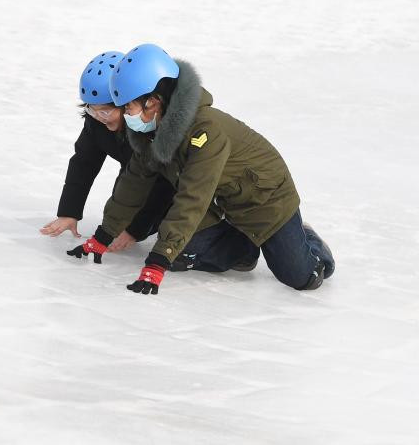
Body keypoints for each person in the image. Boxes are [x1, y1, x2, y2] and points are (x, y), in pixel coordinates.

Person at [74, 43, 335, 295]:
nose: (124, 114)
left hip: (265, 200)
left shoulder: (205, 132)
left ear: (152, 102)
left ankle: (307, 238)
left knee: (301, 277)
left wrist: (157, 262)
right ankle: (244, 249)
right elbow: (133, 183)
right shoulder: (149, 133)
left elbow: (193, 196)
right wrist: (102, 236)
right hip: (223, 202)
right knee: (182, 254)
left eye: (127, 107)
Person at [40, 51, 179, 255]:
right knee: (121, 204)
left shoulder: (147, 127)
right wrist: (70, 211)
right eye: (91, 110)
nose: (99, 117)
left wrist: (134, 230)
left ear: (127, 104)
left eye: (105, 111)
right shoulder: (96, 123)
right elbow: (83, 164)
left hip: (174, 184)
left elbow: (161, 184)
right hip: (133, 172)